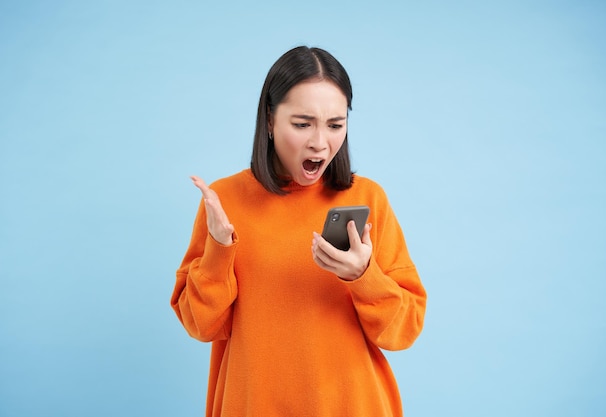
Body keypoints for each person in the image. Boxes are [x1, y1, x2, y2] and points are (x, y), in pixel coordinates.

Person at [171, 45, 427, 417]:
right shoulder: (224, 201)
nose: (320, 142)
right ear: (270, 120)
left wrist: (363, 276)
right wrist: (219, 247)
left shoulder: (368, 197)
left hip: (354, 405)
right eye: (303, 124)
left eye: (335, 125)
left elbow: (403, 331)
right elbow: (200, 325)